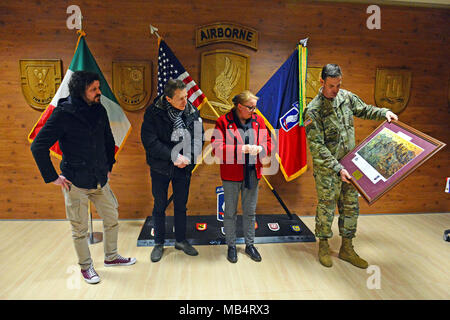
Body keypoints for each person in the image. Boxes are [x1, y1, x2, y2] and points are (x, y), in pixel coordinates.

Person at [30, 71, 136, 284]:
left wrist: (109, 166)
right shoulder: (63, 114)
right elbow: (38, 146)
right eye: (94, 89)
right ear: (81, 91)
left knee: (112, 216)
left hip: (99, 178)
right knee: (80, 229)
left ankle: (112, 256)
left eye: (99, 88)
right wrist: (52, 177)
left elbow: (108, 139)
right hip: (75, 181)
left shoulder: (99, 109)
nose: (99, 92)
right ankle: (86, 267)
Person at [304, 64, 398, 269]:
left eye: (338, 85)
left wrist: (385, 112)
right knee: (327, 207)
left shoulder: (345, 97)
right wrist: (338, 168)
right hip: (329, 170)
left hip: (350, 166)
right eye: (331, 86)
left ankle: (347, 247)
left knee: (351, 207)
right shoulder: (313, 110)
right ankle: (324, 246)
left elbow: (364, 109)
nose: (335, 90)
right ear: (321, 82)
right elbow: (317, 147)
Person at [141, 79, 204, 262]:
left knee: (181, 206)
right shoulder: (153, 113)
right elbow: (150, 141)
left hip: (184, 168)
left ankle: (181, 241)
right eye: (180, 99)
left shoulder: (192, 111)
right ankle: (159, 242)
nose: (185, 102)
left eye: (186, 97)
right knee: (159, 205)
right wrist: (174, 156)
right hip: (161, 167)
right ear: (168, 99)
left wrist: (188, 158)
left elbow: (199, 139)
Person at [211, 91, 272, 263]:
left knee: (250, 212)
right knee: (230, 212)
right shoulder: (223, 122)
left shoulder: (258, 120)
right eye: (251, 107)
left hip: (252, 172)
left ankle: (249, 245)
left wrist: (261, 149)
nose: (254, 110)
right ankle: (231, 246)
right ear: (239, 106)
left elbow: (268, 142)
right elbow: (217, 148)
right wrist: (241, 149)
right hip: (231, 174)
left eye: (255, 107)